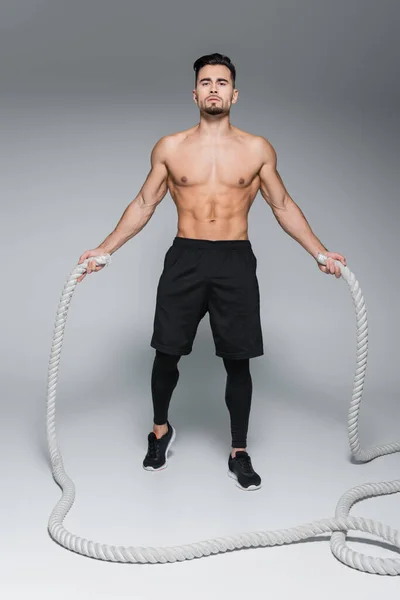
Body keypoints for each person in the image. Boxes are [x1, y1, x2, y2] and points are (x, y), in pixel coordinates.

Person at [77, 53, 346, 491]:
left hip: (235, 261)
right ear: (195, 92)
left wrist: (320, 252)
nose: (214, 88)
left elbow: (282, 205)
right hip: (186, 258)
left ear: (234, 94)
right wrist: (104, 250)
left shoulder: (258, 149)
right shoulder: (170, 147)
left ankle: (239, 451)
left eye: (222, 82)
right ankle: (159, 432)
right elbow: (144, 204)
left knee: (237, 361)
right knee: (167, 353)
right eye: (206, 82)